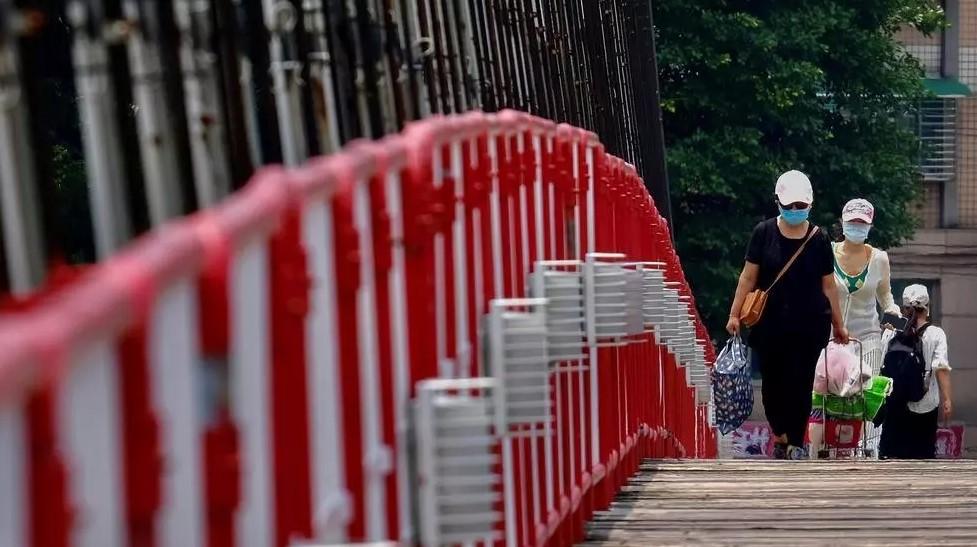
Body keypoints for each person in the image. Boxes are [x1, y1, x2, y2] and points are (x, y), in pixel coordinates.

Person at [727, 170, 849, 460]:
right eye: (790, 206)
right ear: (778, 203)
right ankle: (780, 434)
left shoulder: (818, 240)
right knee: (772, 382)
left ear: (809, 204)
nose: (796, 211)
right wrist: (734, 314)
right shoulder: (763, 233)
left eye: (801, 206)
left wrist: (839, 325)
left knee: (801, 382)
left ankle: (795, 441)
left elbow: (829, 286)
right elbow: (747, 277)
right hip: (770, 326)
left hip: (809, 326)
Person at [815, 198, 901, 456]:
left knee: (869, 390)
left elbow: (885, 296)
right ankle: (827, 447)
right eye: (852, 222)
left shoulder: (879, 259)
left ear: (870, 226)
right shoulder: (826, 252)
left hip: (868, 336)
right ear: (843, 222)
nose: (856, 227)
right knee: (829, 391)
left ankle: (868, 448)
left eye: (862, 223)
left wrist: (893, 311)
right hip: (833, 336)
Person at [878, 285, 952, 459]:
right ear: (927, 307)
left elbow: (882, 363)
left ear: (904, 308)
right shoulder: (935, 333)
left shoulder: (891, 331)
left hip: (894, 405)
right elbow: (940, 367)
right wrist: (947, 398)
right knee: (922, 459)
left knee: (890, 458)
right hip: (924, 407)